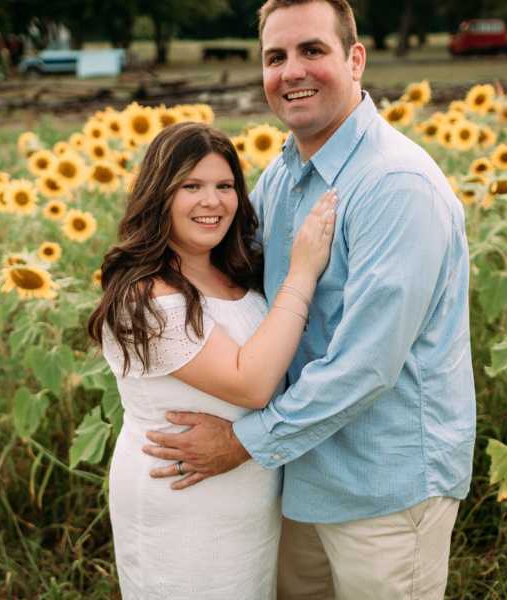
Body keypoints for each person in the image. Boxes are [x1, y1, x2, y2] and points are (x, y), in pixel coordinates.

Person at [141, 1, 477, 598]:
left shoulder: (394, 186)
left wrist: (242, 442)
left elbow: (367, 364)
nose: (291, 71)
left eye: (312, 51)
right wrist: (140, 282)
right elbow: (227, 277)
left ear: (355, 58)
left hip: (385, 487)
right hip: (302, 473)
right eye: (276, 57)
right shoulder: (284, 176)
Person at [87, 121, 337, 599]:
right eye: (192, 186)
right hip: (180, 502)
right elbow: (251, 384)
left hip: (247, 501)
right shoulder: (145, 297)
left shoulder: (235, 273)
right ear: (159, 196)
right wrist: (303, 272)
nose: (213, 202)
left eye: (225, 187)